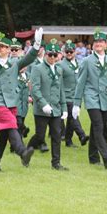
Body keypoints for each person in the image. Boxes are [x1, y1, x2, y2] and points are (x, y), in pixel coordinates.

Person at [0, 29, 43, 171]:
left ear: (8, 50)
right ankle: (22, 152)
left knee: (4, 135)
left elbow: (29, 59)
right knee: (12, 124)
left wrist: (36, 45)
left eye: (2, 47)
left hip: (11, 102)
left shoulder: (15, 63)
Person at [72, 28, 107, 169]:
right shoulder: (87, 61)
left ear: (106, 44)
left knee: (98, 128)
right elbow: (80, 83)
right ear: (93, 45)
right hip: (92, 98)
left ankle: (93, 157)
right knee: (99, 126)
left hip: (105, 99)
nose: (98, 44)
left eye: (101, 41)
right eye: (96, 41)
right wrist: (76, 103)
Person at [28, 39, 69, 170]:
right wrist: (43, 104)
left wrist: (64, 107)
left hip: (56, 109)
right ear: (45, 54)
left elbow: (61, 89)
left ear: (58, 56)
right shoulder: (37, 68)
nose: (52, 57)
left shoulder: (59, 69)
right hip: (42, 110)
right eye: (50, 54)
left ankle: (56, 163)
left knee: (57, 136)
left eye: (55, 55)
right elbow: (35, 89)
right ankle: (26, 151)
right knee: (40, 136)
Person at [59, 40, 89, 147]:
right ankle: (82, 135)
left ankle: (68, 140)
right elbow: (58, 82)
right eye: (67, 52)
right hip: (67, 96)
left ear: (75, 52)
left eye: (71, 52)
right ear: (63, 53)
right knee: (73, 116)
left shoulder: (79, 64)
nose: (69, 54)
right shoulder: (60, 65)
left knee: (71, 119)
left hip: (77, 96)